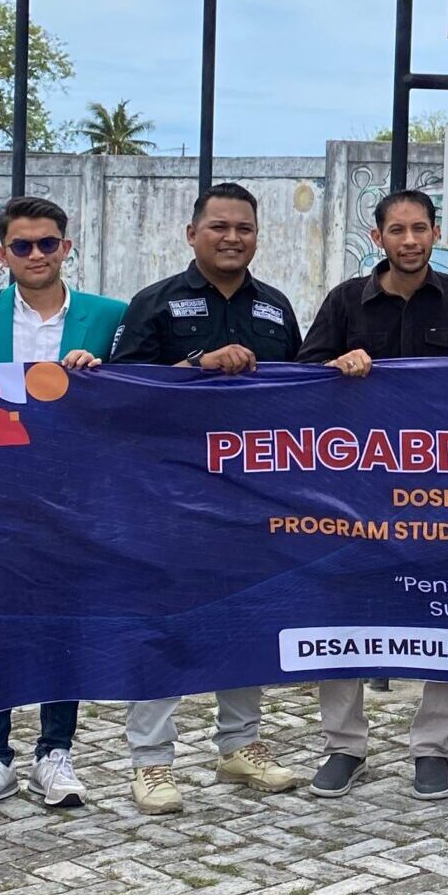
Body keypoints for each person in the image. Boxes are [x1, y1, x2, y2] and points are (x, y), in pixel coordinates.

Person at [110, 182, 306, 816]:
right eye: (219, 226)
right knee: (163, 623)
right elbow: (121, 393)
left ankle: (240, 747)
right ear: (191, 234)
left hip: (251, 495)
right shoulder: (155, 304)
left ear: (257, 237)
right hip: (167, 493)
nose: (232, 238)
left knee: (247, 617)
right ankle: (152, 761)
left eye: (244, 228)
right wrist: (195, 367)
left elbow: (301, 399)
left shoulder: (276, 308)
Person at [298, 189, 448, 804]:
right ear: (378, 238)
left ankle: (433, 748)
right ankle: (344, 745)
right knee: (346, 610)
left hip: (444, 488)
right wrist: (335, 364)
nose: (410, 241)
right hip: (357, 489)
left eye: (420, 230)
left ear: (437, 234)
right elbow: (302, 379)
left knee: (447, 611)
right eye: (397, 231)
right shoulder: (345, 301)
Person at [0, 196, 126, 821]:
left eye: (48, 243)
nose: (36, 255)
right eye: (22, 246)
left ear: (66, 247)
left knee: (61, 619)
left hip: (73, 491)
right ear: (2, 254)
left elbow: (132, 396)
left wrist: (100, 373)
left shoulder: (108, 316)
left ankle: (56, 750)